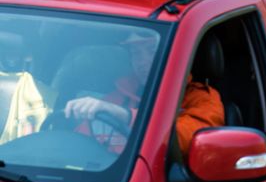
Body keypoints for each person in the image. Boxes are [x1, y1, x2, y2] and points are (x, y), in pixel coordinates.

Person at [64, 32, 224, 155]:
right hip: (108, 180)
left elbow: (184, 139)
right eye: (136, 53)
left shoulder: (201, 98)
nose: (142, 61)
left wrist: (126, 116)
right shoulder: (120, 95)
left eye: (152, 51)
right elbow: (79, 142)